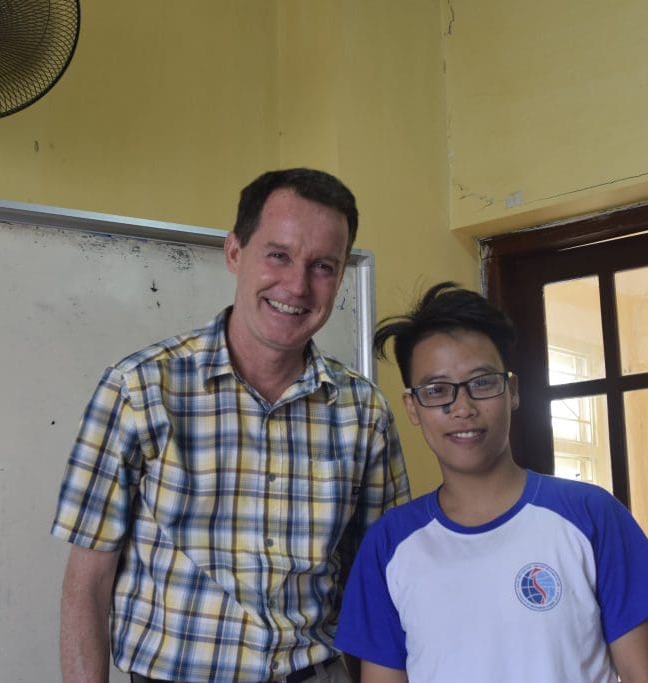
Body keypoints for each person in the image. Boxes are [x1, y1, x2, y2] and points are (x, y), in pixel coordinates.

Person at [51, 168, 411, 683]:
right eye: (278, 255)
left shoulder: (364, 411)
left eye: (323, 266)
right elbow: (87, 585)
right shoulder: (139, 389)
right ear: (235, 252)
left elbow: (377, 585)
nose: (297, 286)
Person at [335, 282, 648, 682]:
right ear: (413, 408)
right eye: (437, 390)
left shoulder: (591, 515)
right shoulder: (389, 544)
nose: (462, 408)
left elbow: (644, 676)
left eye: (482, 383)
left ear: (512, 391)